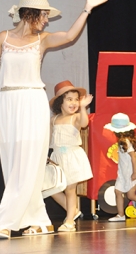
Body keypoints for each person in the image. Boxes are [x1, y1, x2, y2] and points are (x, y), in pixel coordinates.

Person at [0, 0, 108, 238]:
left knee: (28, 163)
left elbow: (70, 35)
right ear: (30, 14)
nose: (47, 20)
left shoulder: (43, 40)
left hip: (33, 101)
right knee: (13, 162)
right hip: (7, 101)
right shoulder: (2, 38)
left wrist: (87, 8)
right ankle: (39, 219)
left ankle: (5, 222)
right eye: (45, 15)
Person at [48, 80, 93, 231]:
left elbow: (85, 123)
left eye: (76, 99)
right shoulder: (53, 119)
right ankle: (72, 211)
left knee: (70, 189)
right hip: (58, 158)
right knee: (51, 188)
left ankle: (69, 222)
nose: (73, 103)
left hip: (72, 156)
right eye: (69, 99)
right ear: (60, 102)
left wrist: (83, 107)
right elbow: (49, 139)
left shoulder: (75, 118)